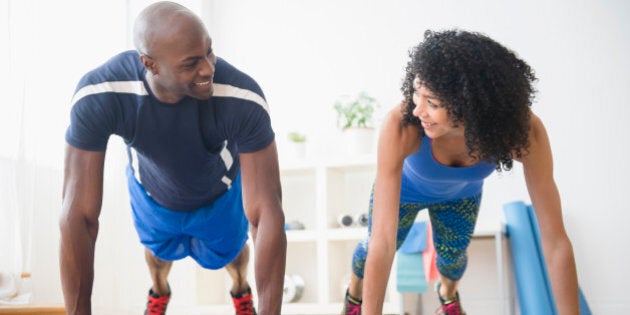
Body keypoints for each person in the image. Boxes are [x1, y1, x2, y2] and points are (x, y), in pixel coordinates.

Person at [59, 2, 286, 315]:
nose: (207, 68)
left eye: (209, 52)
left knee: (234, 253)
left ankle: (240, 289)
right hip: (153, 192)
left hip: (218, 194)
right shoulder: (103, 92)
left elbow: (267, 213)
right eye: (191, 63)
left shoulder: (240, 97)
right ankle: (159, 290)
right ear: (150, 64)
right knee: (157, 253)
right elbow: (78, 216)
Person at [342, 29, 579, 315]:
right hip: (406, 192)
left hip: (460, 197)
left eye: (432, 103)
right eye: (416, 93)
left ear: (471, 107)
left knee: (453, 261)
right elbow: (383, 239)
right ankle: (354, 296)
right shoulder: (402, 125)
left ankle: (447, 295)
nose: (418, 110)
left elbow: (555, 240)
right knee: (369, 249)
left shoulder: (521, 132)